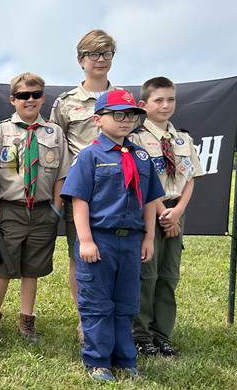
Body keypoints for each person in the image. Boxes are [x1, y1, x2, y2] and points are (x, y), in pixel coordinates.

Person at [61, 89, 164, 382]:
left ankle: (126, 359)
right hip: (100, 239)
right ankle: (98, 361)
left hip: (131, 241)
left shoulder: (141, 157)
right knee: (97, 303)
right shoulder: (89, 156)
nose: (125, 121)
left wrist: (147, 238)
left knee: (126, 303)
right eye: (117, 114)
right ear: (98, 119)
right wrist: (86, 240)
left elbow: (148, 201)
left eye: (131, 115)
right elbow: (79, 200)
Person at [0, 73, 69, 343]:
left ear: (42, 97)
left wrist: (55, 208)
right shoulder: (1, 131)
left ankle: (27, 321)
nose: (29, 100)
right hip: (10, 209)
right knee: (3, 265)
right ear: (12, 99)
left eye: (35, 95)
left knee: (34, 267)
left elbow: (62, 174)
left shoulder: (54, 133)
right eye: (22, 96)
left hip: (42, 211)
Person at [50, 29, 118, 341]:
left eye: (106, 53)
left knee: (116, 253)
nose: (100, 59)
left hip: (118, 191)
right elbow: (57, 148)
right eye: (94, 54)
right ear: (81, 61)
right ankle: (85, 318)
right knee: (79, 255)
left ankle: (115, 315)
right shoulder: (65, 104)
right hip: (82, 193)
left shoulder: (122, 100)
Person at [130, 77, 203, 357]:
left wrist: (179, 211)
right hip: (149, 211)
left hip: (176, 211)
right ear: (143, 105)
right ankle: (141, 334)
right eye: (158, 100)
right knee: (146, 275)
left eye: (170, 99)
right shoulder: (135, 139)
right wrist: (163, 213)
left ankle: (162, 334)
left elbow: (190, 177)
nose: (165, 105)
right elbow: (141, 181)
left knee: (169, 275)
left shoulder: (183, 139)